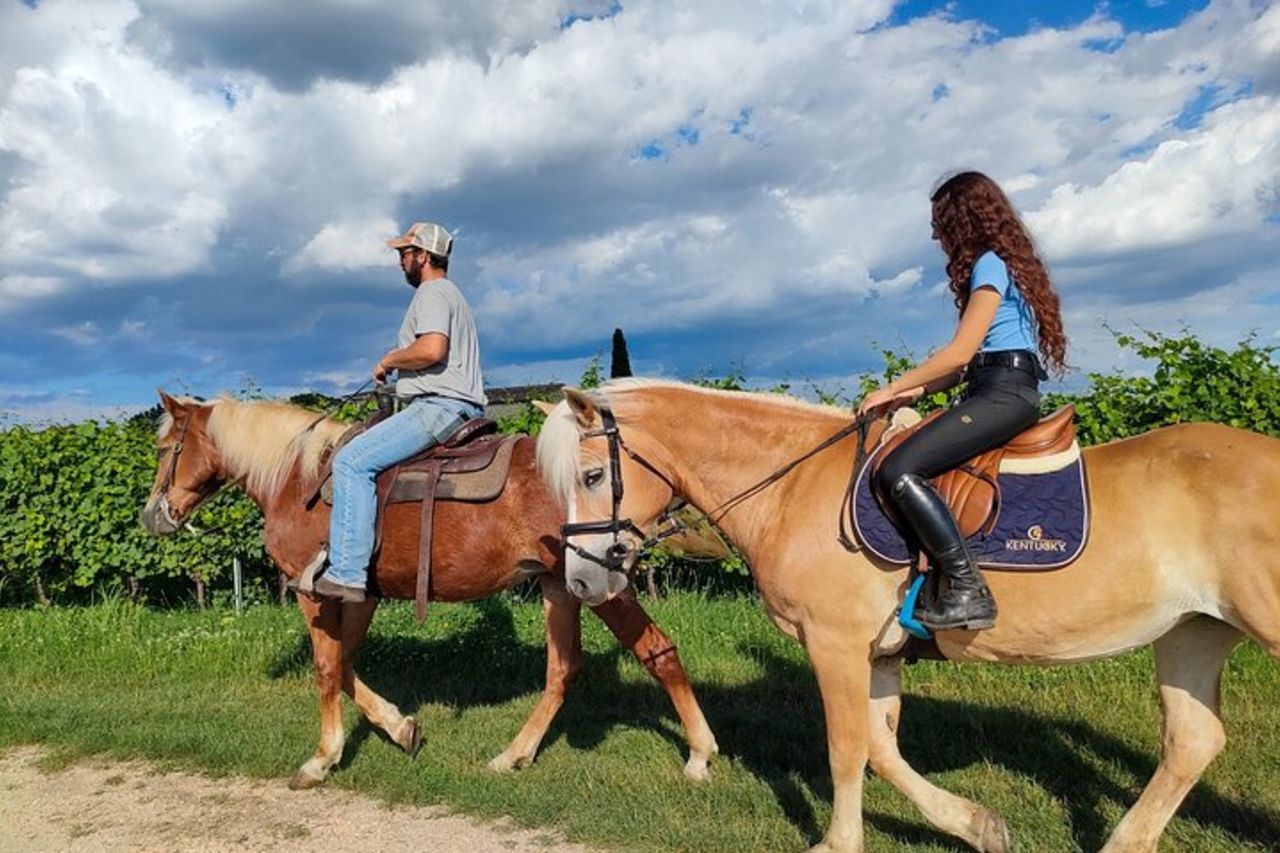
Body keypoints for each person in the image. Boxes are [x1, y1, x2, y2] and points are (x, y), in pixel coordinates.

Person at [858, 171, 1067, 631]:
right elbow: (961, 367)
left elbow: (960, 352)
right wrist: (919, 390)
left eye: (941, 223)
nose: (935, 234)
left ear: (962, 221)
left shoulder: (990, 264)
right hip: (996, 384)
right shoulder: (1003, 264)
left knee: (898, 470)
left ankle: (967, 586)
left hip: (1003, 391)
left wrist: (891, 388)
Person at [312, 222, 488, 603]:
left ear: (424, 256)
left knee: (351, 462)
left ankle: (346, 573)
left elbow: (431, 350)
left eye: (405, 253)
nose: (400, 261)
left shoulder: (433, 292)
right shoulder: (452, 295)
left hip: (438, 406)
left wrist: (389, 359)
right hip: (457, 405)